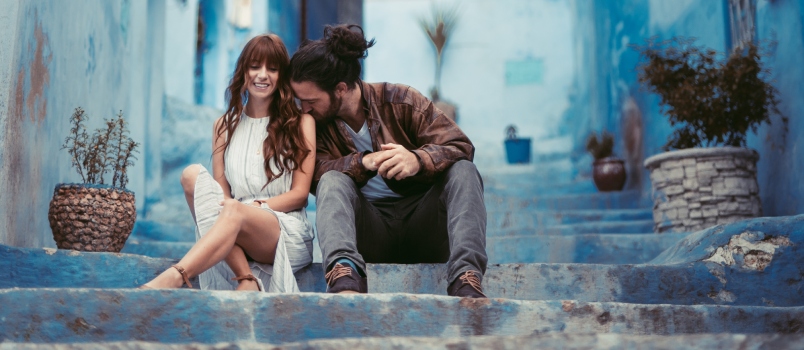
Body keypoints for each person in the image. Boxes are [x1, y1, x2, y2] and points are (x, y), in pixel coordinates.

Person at [289, 24, 488, 298]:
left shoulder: (401, 101)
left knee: (465, 171)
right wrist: (364, 162)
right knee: (331, 180)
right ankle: (344, 275)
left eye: (310, 100)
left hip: (424, 226)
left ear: (340, 89)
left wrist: (418, 160)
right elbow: (314, 175)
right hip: (370, 232)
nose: (304, 108)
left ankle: (466, 278)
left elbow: (461, 146)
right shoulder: (316, 126)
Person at [141, 34, 316, 292]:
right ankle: (245, 278)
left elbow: (300, 195)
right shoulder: (224, 126)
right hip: (232, 225)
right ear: (243, 72)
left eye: (273, 68)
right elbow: (221, 198)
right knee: (191, 176)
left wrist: (255, 207)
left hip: (283, 230)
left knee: (232, 209)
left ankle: (177, 275)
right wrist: (237, 211)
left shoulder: (301, 123)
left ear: (282, 77)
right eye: (255, 66)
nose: (262, 75)